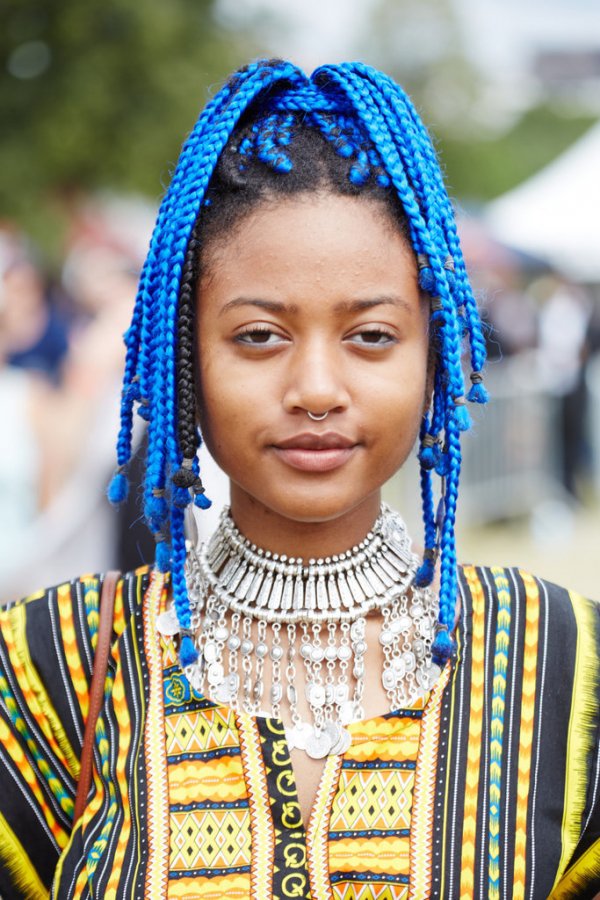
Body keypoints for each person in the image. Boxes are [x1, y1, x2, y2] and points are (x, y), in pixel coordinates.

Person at [0, 59, 598, 900]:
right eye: (257, 336)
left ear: (435, 351)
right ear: (185, 356)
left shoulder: (565, 665)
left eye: (372, 336)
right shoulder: (48, 670)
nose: (316, 388)